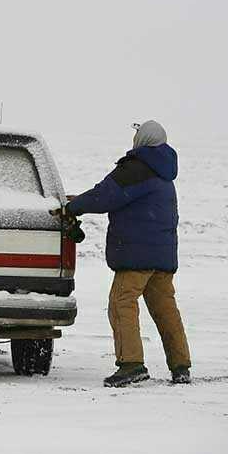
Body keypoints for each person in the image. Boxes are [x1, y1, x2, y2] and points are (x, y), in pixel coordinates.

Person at [63, 120, 192, 387]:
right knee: (166, 309)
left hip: (137, 255)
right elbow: (122, 198)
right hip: (162, 257)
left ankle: (131, 364)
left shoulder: (136, 168)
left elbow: (105, 196)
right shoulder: (163, 171)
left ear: (142, 139)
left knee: (121, 304)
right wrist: (81, 201)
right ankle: (181, 365)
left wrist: (72, 207)